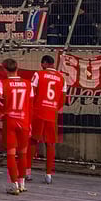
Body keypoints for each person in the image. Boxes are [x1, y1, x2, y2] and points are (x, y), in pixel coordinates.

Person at [0, 58, 33, 195]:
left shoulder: (2, 83)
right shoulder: (28, 84)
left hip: (10, 120)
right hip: (24, 120)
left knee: (11, 153)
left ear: (5, 70)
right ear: (17, 68)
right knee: (23, 153)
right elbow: (31, 104)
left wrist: (0, 113)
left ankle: (14, 184)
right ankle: (22, 183)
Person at [29, 55, 66, 184]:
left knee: (33, 140)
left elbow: (31, 93)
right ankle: (49, 174)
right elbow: (63, 99)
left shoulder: (39, 74)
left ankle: (27, 171)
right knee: (50, 144)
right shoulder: (62, 78)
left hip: (38, 111)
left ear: (44, 63)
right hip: (52, 113)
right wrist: (54, 107)